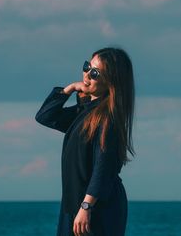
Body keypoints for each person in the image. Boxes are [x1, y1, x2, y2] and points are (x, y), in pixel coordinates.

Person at [35, 47, 135, 236]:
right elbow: (45, 117)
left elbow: (103, 167)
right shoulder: (84, 112)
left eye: (95, 73)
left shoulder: (107, 118)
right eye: (87, 67)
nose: (87, 75)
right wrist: (69, 89)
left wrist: (86, 206)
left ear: (111, 82)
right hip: (74, 205)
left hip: (95, 208)